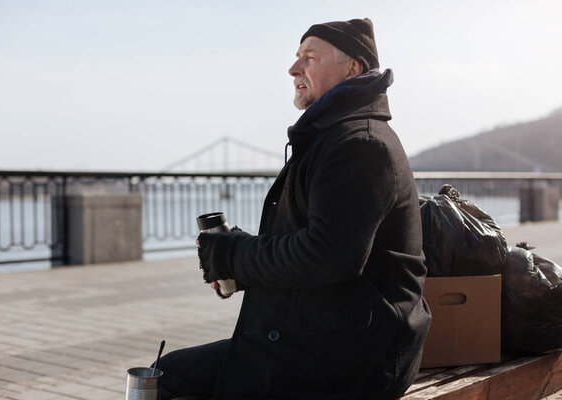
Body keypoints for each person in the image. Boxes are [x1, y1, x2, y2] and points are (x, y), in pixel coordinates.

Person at [156, 18, 431, 400]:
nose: (293, 69)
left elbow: (329, 255)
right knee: (169, 374)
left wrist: (233, 254)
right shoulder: (332, 136)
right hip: (331, 336)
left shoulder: (360, 145)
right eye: (296, 57)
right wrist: (239, 267)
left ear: (353, 68)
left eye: (310, 58)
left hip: (357, 358)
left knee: (166, 379)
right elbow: (311, 245)